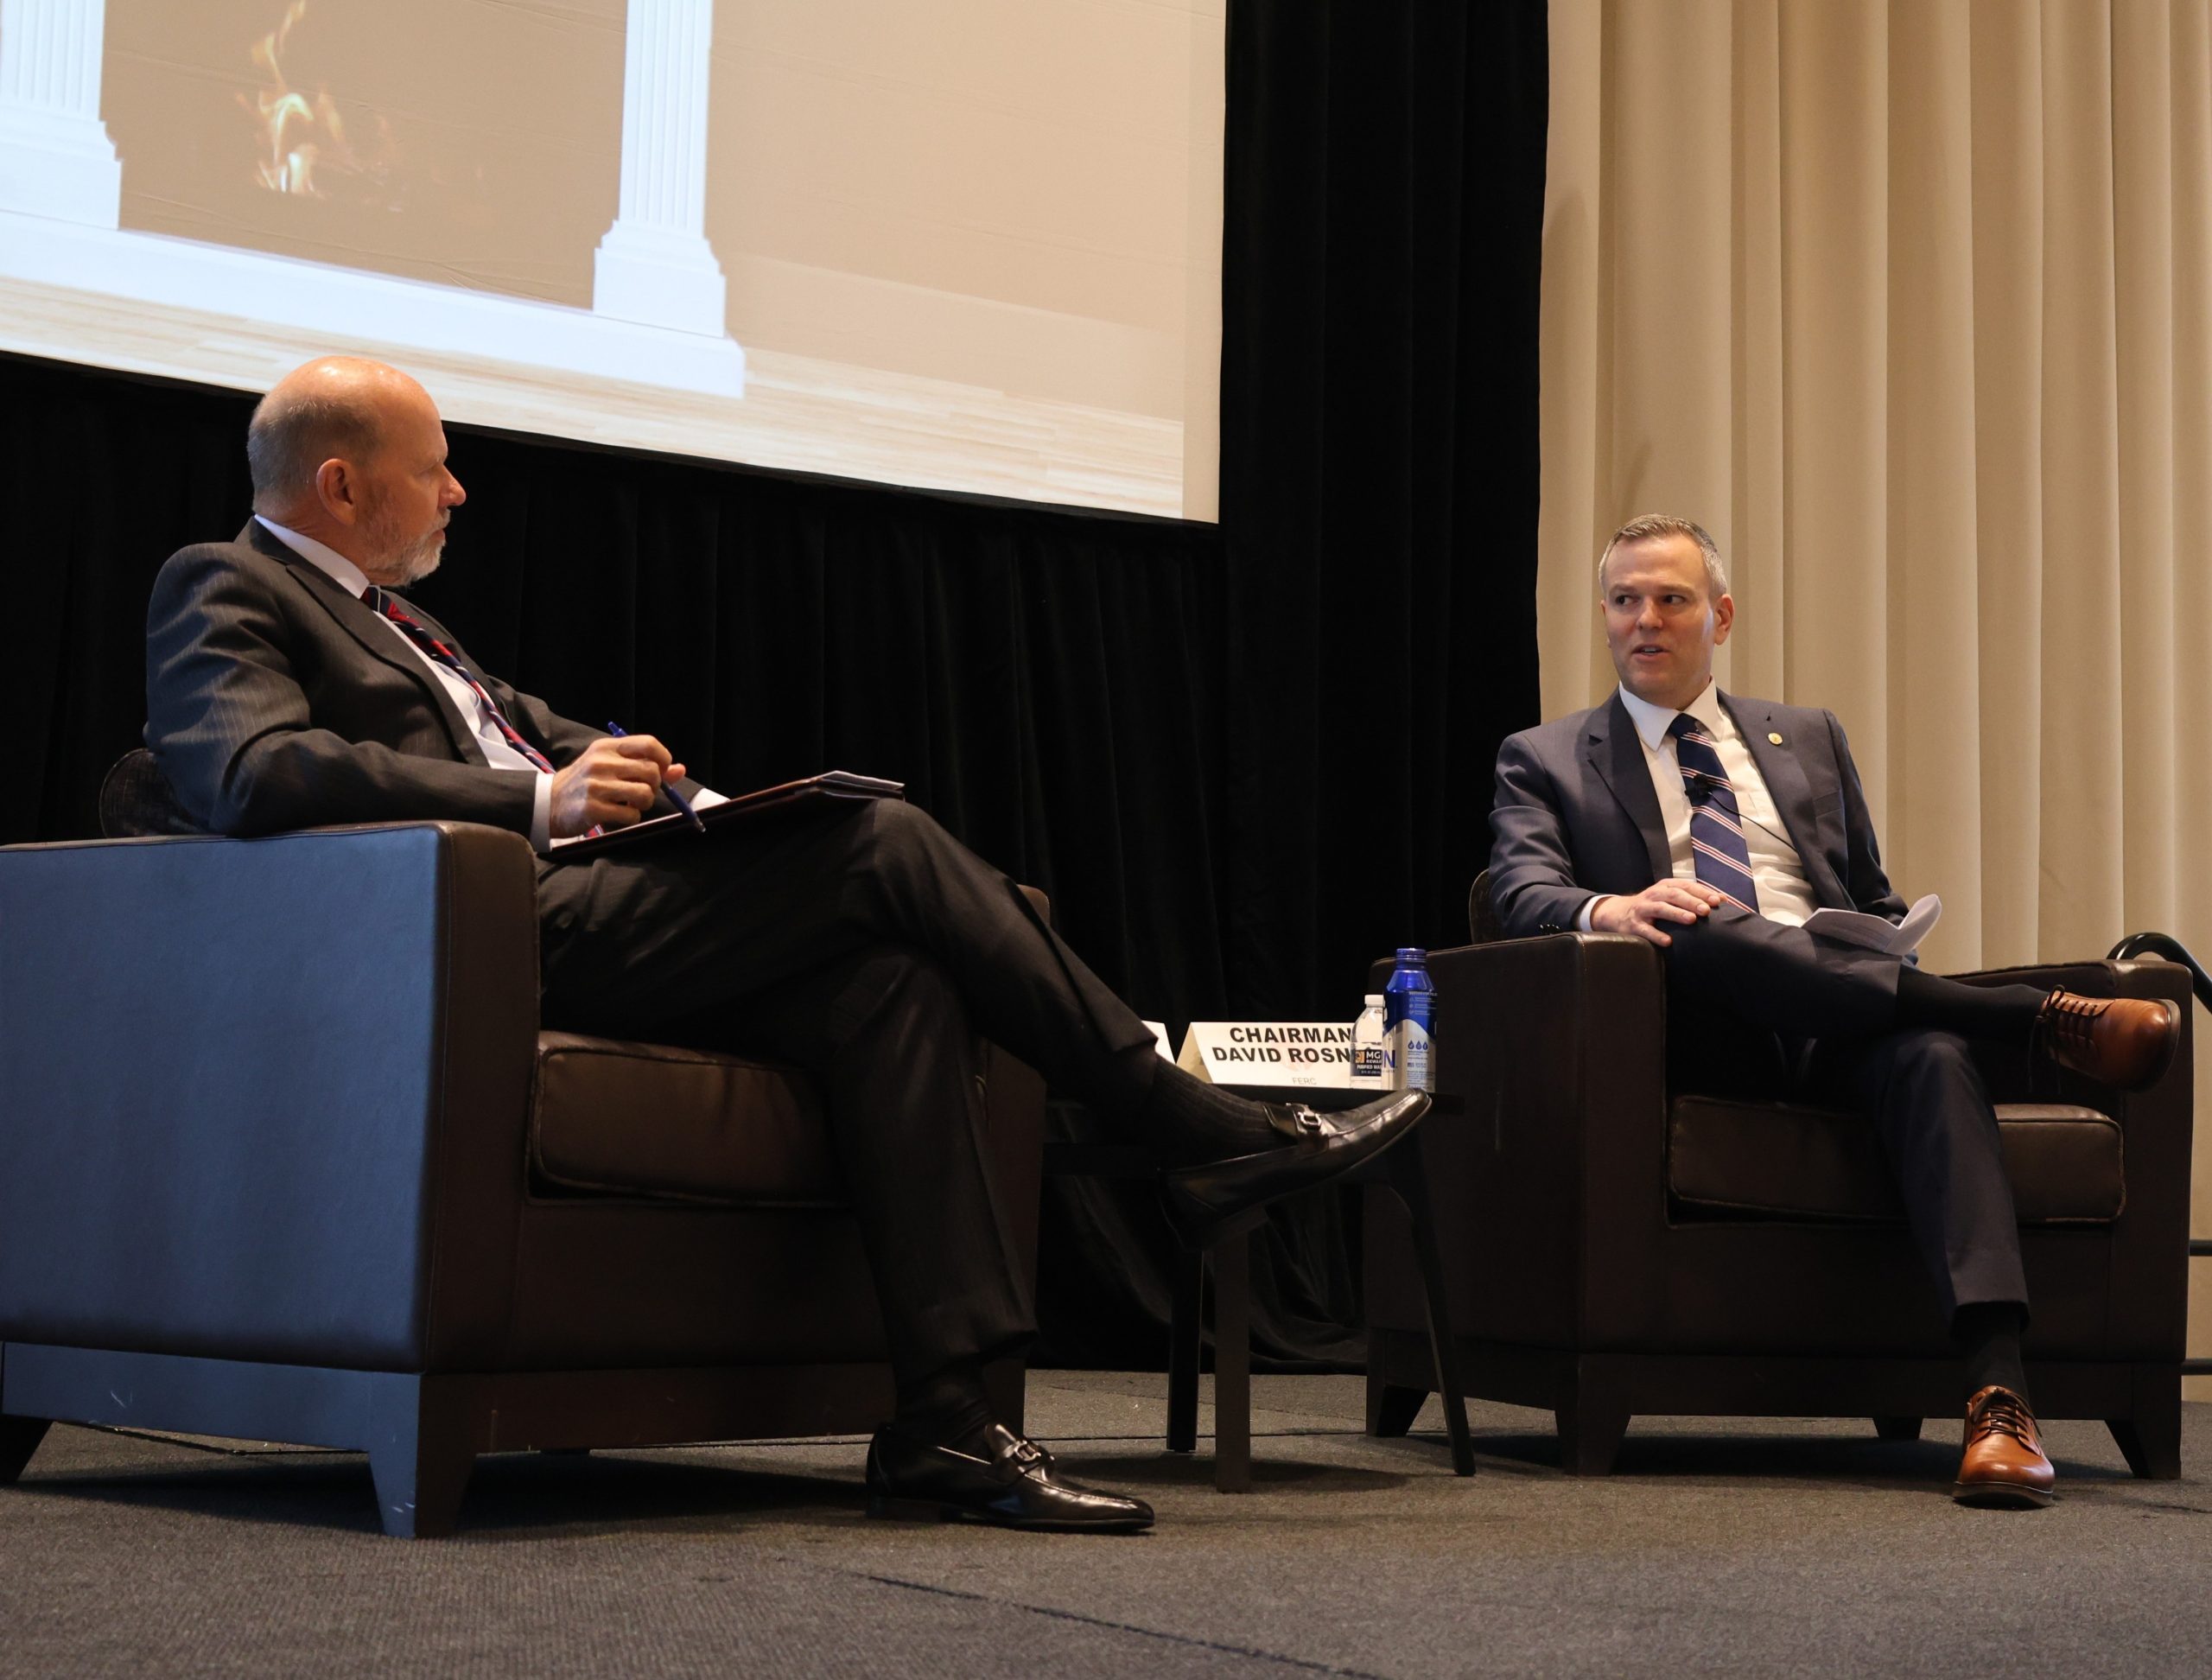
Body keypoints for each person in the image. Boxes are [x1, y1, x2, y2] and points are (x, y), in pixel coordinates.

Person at [143, 356, 1429, 1535]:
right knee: (882, 844)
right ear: (340, 481)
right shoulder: (228, 583)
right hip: (473, 931)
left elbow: (545, 735)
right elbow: (243, 772)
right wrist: (543, 802)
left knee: (891, 983)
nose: (458, 490)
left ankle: (946, 1423)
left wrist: (691, 804)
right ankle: (1186, 1126)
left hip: (591, 907)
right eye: (435, 468)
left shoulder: (413, 626)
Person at [1488, 513, 2180, 1510]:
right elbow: (1519, 893)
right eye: (1625, 600)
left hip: (1839, 1018)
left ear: (1718, 616)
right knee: (1703, 917)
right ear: (1602, 615)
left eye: (1671, 599)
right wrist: (1618, 904)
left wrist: (1877, 938)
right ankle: (2028, 1020)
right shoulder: (1544, 757)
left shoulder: (1804, 735)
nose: (1645, 619)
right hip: (1697, 1028)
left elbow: (1873, 898)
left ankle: (1998, 1401)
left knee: (1933, 1055)